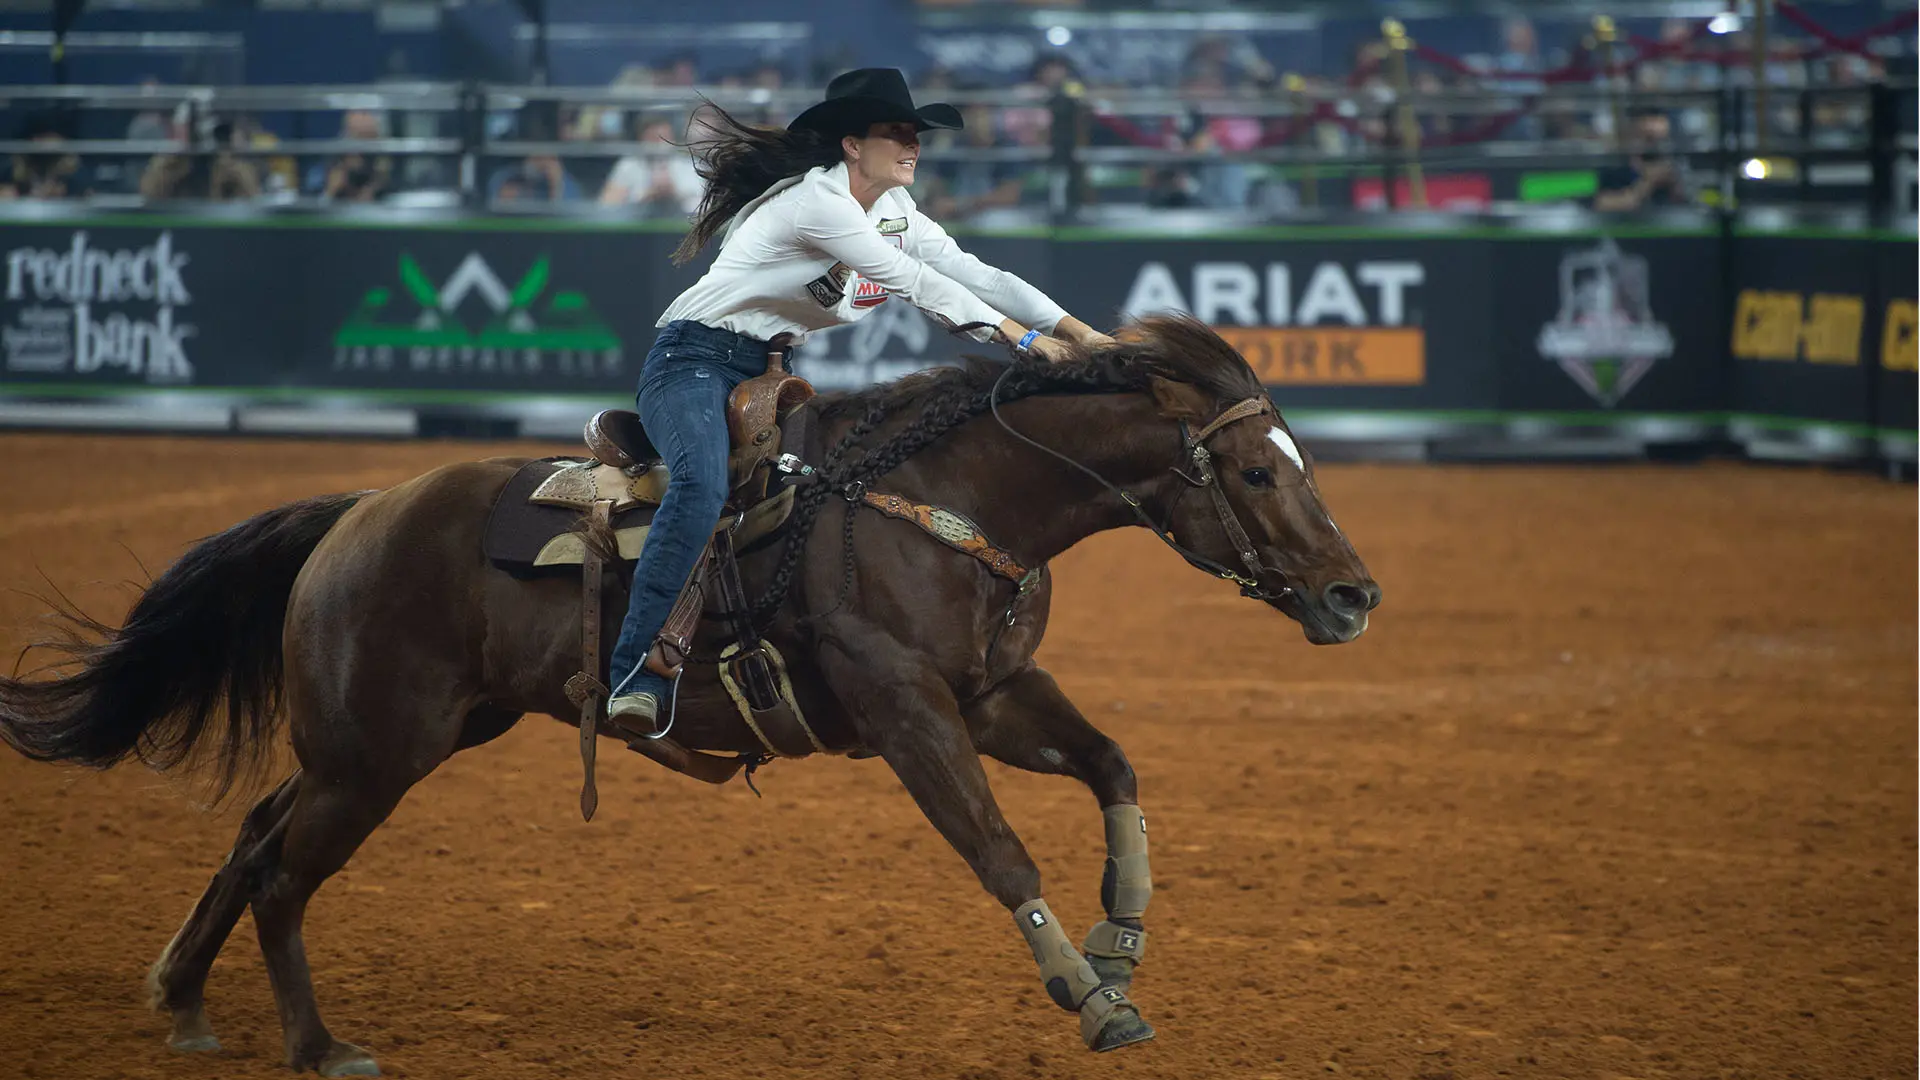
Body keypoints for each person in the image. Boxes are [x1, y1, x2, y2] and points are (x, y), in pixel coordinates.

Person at [603, 68, 1114, 728]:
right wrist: (1022, 341)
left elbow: (980, 275)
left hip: (765, 372)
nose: (913, 144)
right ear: (851, 144)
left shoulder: (895, 212)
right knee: (700, 487)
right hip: (692, 360)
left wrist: (1082, 334)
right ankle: (635, 674)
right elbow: (909, 280)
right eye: (895, 132)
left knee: (836, 492)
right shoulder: (816, 204)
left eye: (915, 134)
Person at [598, 113, 702, 215]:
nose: (659, 144)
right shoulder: (628, 165)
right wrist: (645, 198)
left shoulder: (689, 165)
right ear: (641, 140)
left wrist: (675, 194)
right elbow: (607, 204)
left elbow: (702, 205)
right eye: (653, 138)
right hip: (637, 225)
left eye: (665, 138)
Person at [1592, 106, 1689, 212]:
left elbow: (1690, 202)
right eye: (1648, 138)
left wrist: (1675, 186)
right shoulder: (1615, 163)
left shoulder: (1674, 160)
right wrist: (1646, 184)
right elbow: (1601, 204)